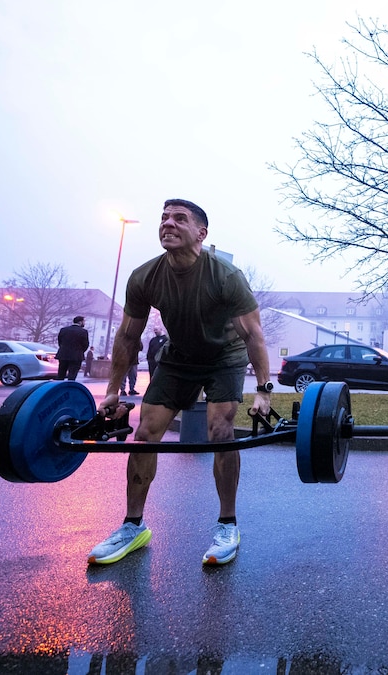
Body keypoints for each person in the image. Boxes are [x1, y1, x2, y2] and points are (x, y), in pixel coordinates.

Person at [88, 198, 272, 568]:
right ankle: (133, 526)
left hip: (224, 357)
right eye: (164, 218)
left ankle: (227, 524)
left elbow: (253, 335)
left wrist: (264, 392)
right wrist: (112, 391)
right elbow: (127, 336)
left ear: (201, 233)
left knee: (220, 431)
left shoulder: (225, 277)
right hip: (178, 358)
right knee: (146, 433)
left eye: (179, 219)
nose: (167, 224)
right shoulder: (145, 277)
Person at [55, 315, 89, 381]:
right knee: (72, 376)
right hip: (76, 356)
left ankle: (59, 389)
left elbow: (60, 341)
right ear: (80, 322)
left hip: (63, 355)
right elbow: (85, 344)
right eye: (84, 321)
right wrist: (80, 351)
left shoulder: (63, 330)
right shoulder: (83, 332)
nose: (84, 323)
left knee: (61, 374)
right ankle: (69, 389)